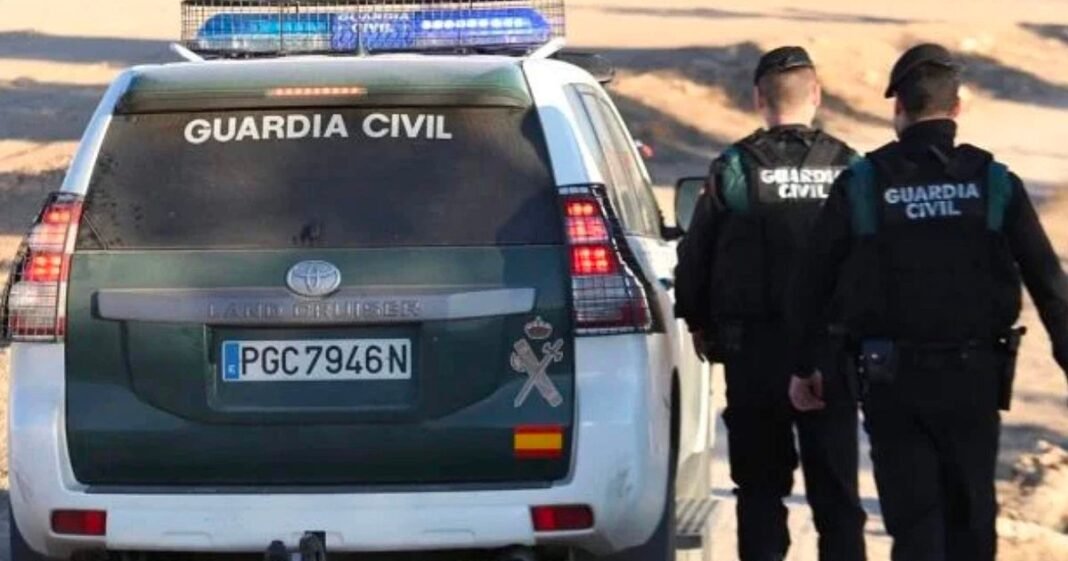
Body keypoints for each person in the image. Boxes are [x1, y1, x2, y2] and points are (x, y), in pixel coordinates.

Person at [788, 43, 1068, 561]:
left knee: (915, 519)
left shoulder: (863, 183)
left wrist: (805, 366)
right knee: (972, 516)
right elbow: (1049, 282)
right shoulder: (994, 182)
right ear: (956, 109)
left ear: (898, 109)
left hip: (892, 378)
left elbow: (812, 281)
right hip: (974, 376)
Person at [675, 46, 867, 561]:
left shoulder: (736, 167)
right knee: (837, 496)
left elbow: (696, 257)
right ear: (817, 95)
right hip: (829, 356)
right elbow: (874, 260)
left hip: (754, 354)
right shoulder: (850, 167)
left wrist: (698, 322)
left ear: (759, 99)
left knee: (759, 490)